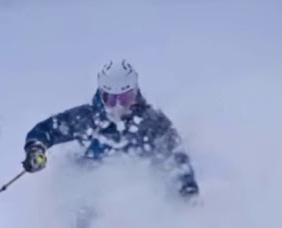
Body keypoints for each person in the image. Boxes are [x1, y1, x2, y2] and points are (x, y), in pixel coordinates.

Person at [21, 60, 200, 204]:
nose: (117, 106)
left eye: (124, 98)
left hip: (138, 200)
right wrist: (36, 150)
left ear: (135, 93)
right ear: (101, 95)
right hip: (90, 200)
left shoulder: (152, 123)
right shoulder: (86, 119)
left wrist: (187, 191)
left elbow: (176, 157)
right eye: (110, 99)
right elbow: (48, 130)